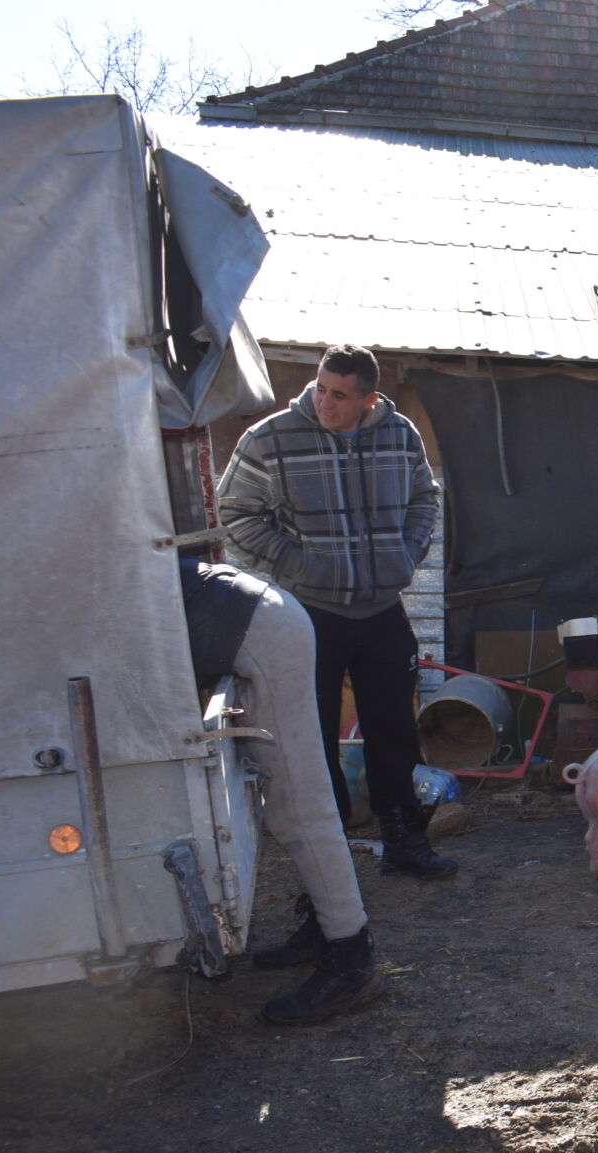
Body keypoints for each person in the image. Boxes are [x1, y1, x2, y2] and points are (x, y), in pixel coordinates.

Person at [217, 344, 456, 879]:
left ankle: (403, 842)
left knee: (394, 732)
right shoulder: (271, 438)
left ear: (369, 399)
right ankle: (329, 858)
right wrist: (296, 563)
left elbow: (425, 498)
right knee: (311, 736)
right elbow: (234, 512)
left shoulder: (400, 434)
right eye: (321, 388)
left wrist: (406, 553)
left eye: (341, 395)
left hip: (382, 608)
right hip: (310, 612)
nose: (325, 402)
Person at [179, 556, 384, 1024]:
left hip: (262, 629)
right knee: (292, 804)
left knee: (302, 806)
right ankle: (323, 928)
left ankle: (353, 961)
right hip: (255, 616)